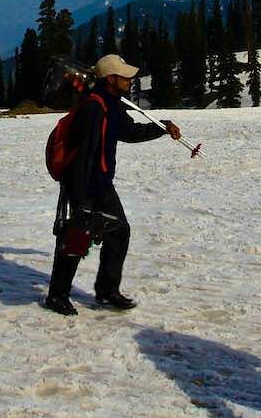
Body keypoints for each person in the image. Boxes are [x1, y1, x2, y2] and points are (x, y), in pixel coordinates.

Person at [44, 54, 181, 316]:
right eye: (125, 75)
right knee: (77, 237)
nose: (130, 79)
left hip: (101, 181)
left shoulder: (112, 104)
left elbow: (129, 132)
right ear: (111, 78)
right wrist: (82, 201)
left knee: (119, 232)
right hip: (83, 182)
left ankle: (107, 290)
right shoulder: (94, 108)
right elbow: (84, 154)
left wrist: (162, 127)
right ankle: (57, 296)